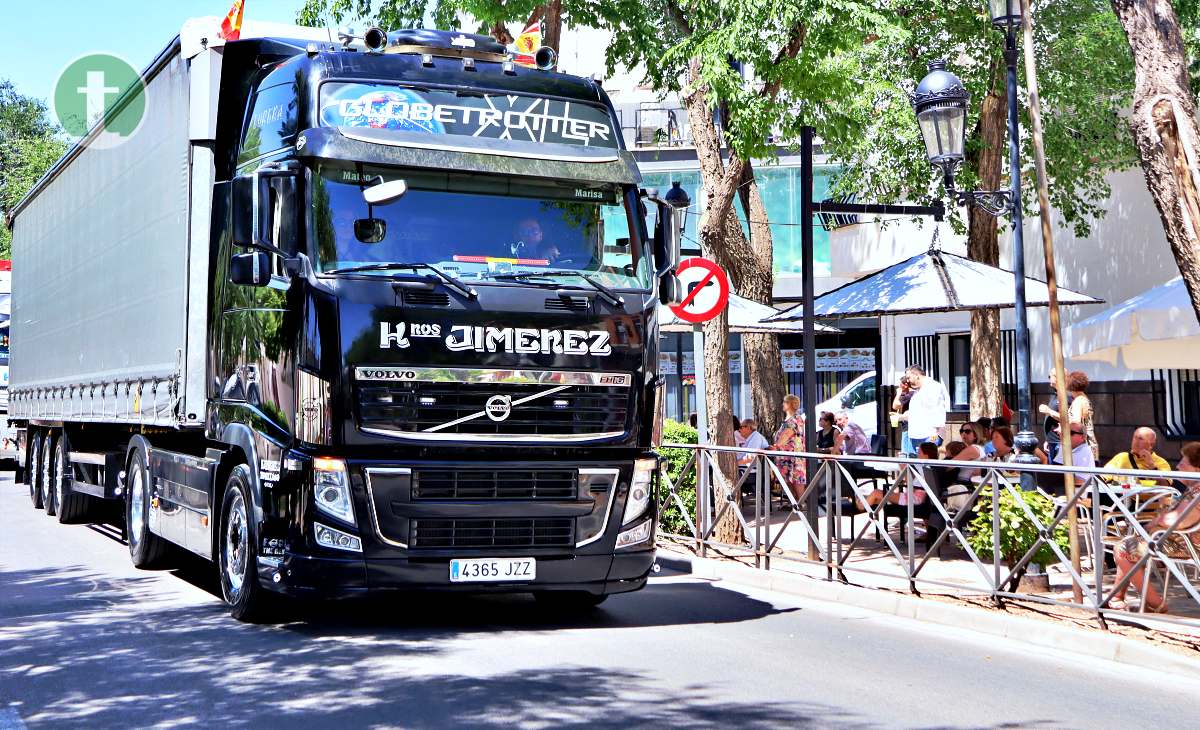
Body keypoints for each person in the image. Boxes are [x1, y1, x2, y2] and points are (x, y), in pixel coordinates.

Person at [1111, 442, 1200, 613]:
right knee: (1131, 546)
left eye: (1184, 462)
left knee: (1122, 549)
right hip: (1178, 540)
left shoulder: (1196, 494)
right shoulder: (1193, 490)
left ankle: (1156, 604)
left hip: (1184, 546)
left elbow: (1173, 520)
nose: (1179, 465)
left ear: (1196, 469)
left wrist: (1153, 523)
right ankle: (1116, 598)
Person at [899, 365, 949, 456]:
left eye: (908, 377)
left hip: (929, 434)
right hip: (916, 434)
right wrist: (902, 417)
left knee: (926, 464)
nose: (907, 381)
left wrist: (934, 436)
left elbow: (931, 411)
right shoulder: (918, 390)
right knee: (914, 465)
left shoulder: (933, 387)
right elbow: (917, 411)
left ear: (916, 375)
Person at [1103, 427, 1173, 487]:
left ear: (1151, 444)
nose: (1135, 441)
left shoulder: (1161, 462)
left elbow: (1165, 488)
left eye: (1140, 439)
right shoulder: (1121, 457)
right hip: (1121, 499)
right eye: (1134, 437)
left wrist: (1152, 466)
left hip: (1147, 501)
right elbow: (1103, 476)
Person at [772, 395, 806, 501]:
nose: (783, 404)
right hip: (785, 455)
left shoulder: (795, 419)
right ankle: (793, 502)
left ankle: (801, 502)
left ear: (790, 404)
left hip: (794, 455)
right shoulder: (787, 419)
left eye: (785, 402)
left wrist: (776, 446)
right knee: (787, 479)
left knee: (796, 479)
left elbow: (787, 434)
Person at [1038, 369, 1074, 463]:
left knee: (1059, 473)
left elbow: (1068, 418)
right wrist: (1047, 440)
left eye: (1050, 376)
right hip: (1053, 442)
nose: (1049, 379)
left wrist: (1049, 411)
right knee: (1054, 472)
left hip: (1060, 442)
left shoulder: (1067, 396)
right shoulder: (1055, 394)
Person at [1066, 370, 1099, 460]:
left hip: (1083, 447)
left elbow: (1075, 424)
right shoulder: (1085, 399)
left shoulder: (1078, 401)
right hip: (1089, 443)